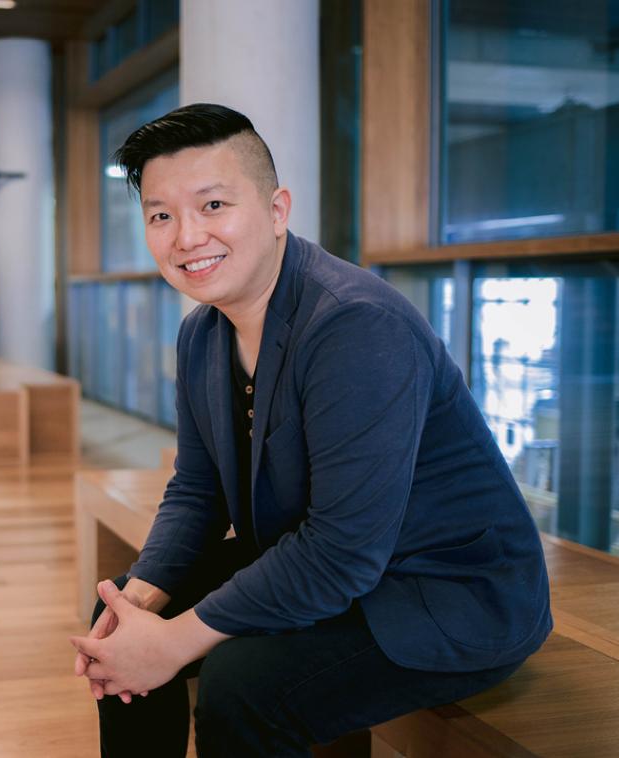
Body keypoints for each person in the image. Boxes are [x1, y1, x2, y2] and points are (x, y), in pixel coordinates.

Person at [69, 103, 552, 758]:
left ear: (276, 211)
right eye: (161, 215)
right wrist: (144, 604)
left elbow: (343, 550)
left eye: (212, 206)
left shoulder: (355, 327)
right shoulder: (201, 334)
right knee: (121, 621)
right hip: (332, 563)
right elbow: (197, 493)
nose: (186, 236)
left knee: (244, 686)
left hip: (443, 593)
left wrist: (177, 640)